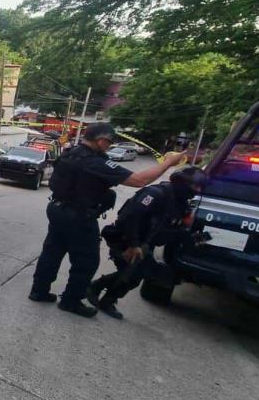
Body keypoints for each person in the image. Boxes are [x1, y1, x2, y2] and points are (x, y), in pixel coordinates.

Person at [29, 123, 187, 317]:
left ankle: (39, 291)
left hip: (57, 209)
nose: (109, 147)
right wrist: (169, 163)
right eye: (109, 143)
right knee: (87, 261)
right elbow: (139, 180)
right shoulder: (95, 162)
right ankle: (71, 301)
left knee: (52, 251)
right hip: (79, 216)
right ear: (101, 140)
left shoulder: (70, 152)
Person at [87, 167, 208, 318]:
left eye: (200, 187)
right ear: (182, 182)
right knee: (133, 272)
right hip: (124, 238)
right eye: (195, 186)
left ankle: (107, 298)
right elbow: (131, 218)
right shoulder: (156, 194)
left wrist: (193, 237)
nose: (197, 190)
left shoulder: (180, 204)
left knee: (139, 274)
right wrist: (133, 244)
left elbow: (174, 228)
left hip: (144, 243)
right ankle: (96, 288)